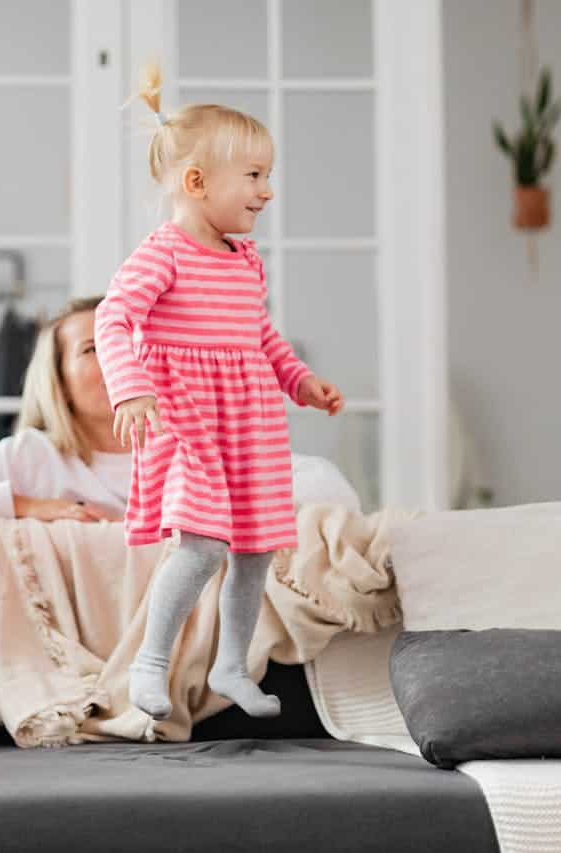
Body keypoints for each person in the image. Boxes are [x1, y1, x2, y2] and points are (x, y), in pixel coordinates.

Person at [94, 64, 346, 723]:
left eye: (269, 174)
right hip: (193, 419)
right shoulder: (165, 253)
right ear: (197, 182)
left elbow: (260, 333)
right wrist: (130, 390)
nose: (268, 191)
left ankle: (232, 662)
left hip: (252, 420)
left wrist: (300, 381)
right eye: (255, 176)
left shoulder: (244, 261)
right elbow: (112, 317)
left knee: (257, 546)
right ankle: (152, 660)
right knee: (202, 545)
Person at [0, 296, 360, 528]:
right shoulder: (31, 459)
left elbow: (329, 491)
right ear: (55, 379)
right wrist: (34, 506)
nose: (121, 362)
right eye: (92, 350)